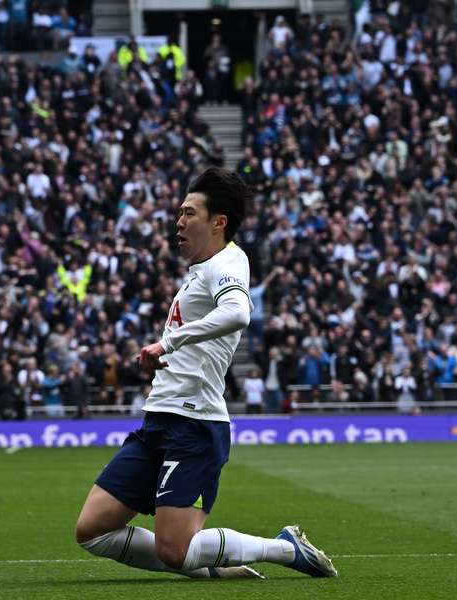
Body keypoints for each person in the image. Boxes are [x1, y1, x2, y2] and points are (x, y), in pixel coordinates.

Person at [75, 167, 337, 581]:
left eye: (188, 213)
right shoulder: (198, 272)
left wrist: (168, 343)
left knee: (175, 549)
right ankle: (206, 570)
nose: (178, 222)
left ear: (219, 222)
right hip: (159, 417)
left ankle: (283, 548)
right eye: (179, 213)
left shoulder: (229, 261)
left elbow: (238, 311)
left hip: (194, 423)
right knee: (91, 530)